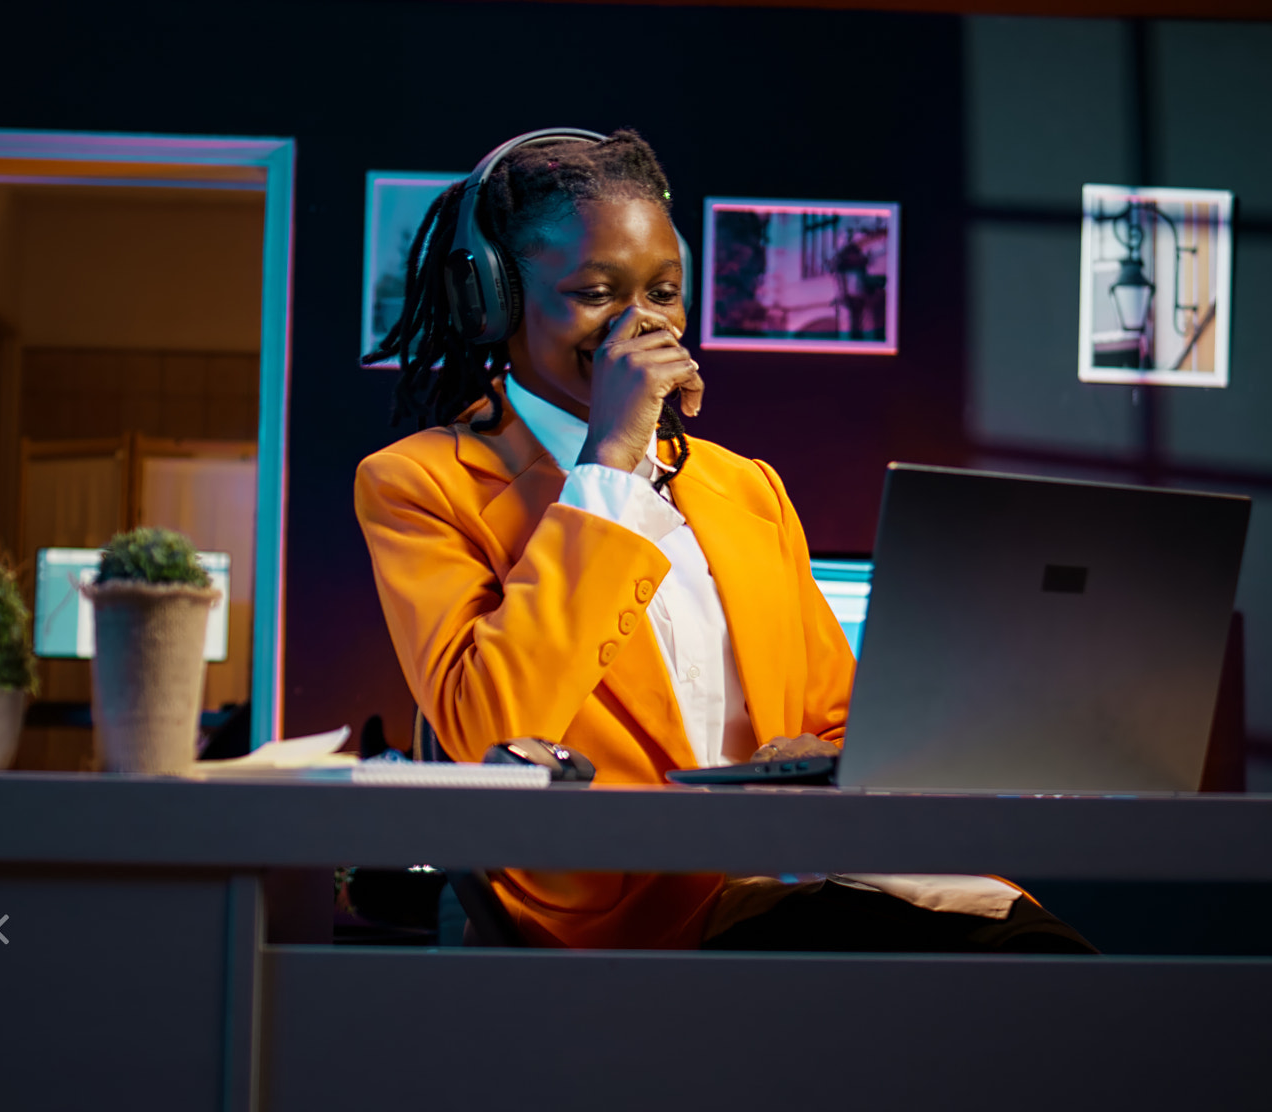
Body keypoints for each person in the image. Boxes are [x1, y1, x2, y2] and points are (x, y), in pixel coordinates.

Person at [355, 128, 1092, 954]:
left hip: (815, 875)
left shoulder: (745, 486)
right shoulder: (419, 483)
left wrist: (815, 762)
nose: (640, 323)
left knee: (1053, 966)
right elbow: (487, 723)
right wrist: (609, 463)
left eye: (663, 291)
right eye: (596, 291)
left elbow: (848, 724)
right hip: (641, 909)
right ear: (490, 300)